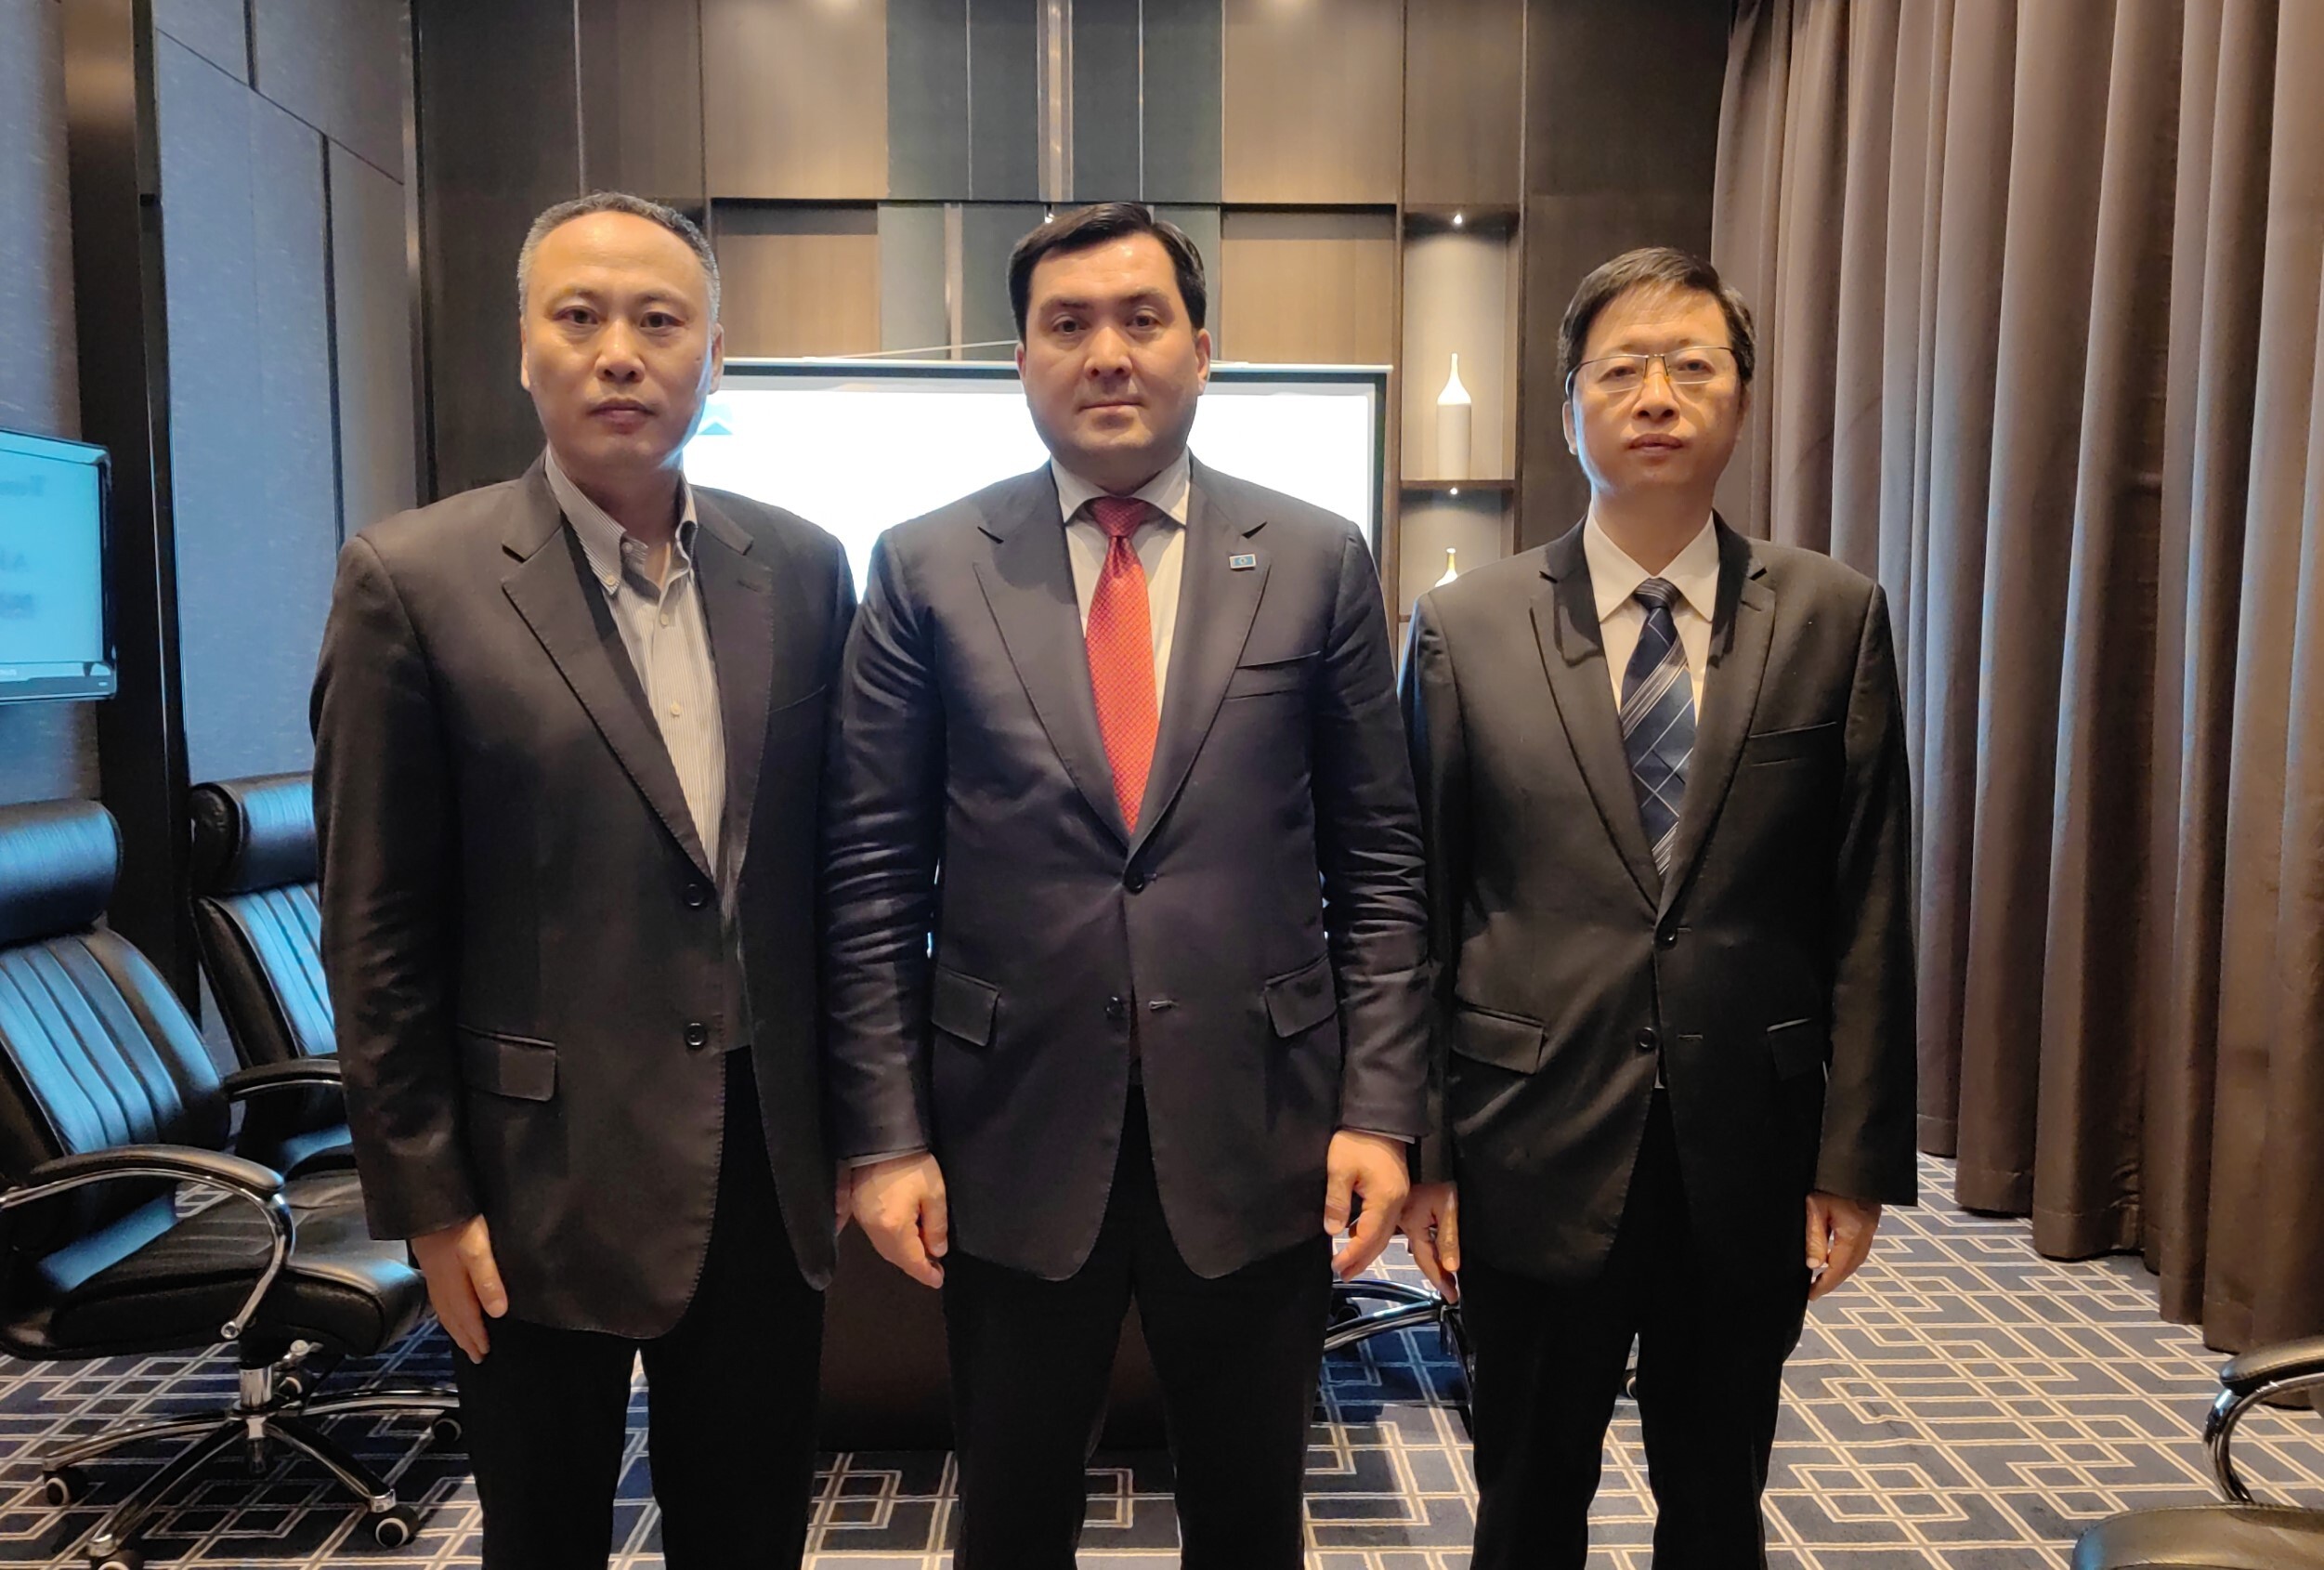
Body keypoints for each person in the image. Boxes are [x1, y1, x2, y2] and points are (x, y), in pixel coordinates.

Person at [821, 201, 1429, 1569]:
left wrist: (1380, 1109)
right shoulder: (925, 564)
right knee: (1010, 1520)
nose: (1107, 352)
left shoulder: (1316, 556)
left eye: (1141, 320)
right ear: (1021, 360)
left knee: (1252, 1520)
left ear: (1201, 351)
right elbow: (870, 875)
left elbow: (1381, 863)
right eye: (1068, 324)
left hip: (1262, 1127)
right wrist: (887, 1136)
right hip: (1009, 1130)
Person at [311, 191, 854, 1570]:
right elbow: (375, 927)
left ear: (714, 355)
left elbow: (834, 872)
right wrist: (427, 1198)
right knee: (542, 1538)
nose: (620, 352)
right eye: (579, 316)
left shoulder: (801, 567)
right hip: (530, 1171)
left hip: (761, 1155)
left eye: (660, 321)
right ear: (524, 348)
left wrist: (858, 1126)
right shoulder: (411, 580)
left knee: (751, 1535)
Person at [1398, 246, 1917, 1568]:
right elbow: (1421, 907)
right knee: (1525, 1504)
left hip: (1746, 1142)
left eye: (1692, 365)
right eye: (1620, 368)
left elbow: (1866, 900)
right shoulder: (1464, 626)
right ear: (1568, 404)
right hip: (1527, 1138)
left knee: (1717, 1501)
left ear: (1740, 396)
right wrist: (1427, 1152)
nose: (1656, 395)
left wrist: (1852, 1161)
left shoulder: (1833, 616)